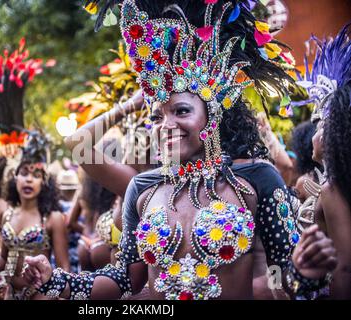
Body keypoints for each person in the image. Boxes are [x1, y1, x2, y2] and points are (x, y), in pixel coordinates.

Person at [22, 0, 337, 300]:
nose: (165, 125)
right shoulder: (142, 187)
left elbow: (279, 273)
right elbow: (124, 280)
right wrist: (56, 280)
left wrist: (303, 273)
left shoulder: (256, 177)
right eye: (157, 116)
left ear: (213, 113)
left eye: (181, 111)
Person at [0, 131, 70, 299]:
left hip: (41, 294)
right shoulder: (7, 214)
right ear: (15, 178)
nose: (29, 180)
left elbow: (64, 267)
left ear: (44, 182)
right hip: (9, 293)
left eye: (36, 175)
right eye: (24, 173)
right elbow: (3, 258)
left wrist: (51, 295)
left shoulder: (52, 218)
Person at [297, 24, 351, 298]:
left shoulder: (333, 190)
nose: (314, 134)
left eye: (320, 125)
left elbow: (344, 269)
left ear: (334, 134)